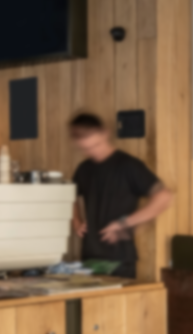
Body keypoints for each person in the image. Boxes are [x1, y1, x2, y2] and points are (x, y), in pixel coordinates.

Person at [69, 113, 172, 280]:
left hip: (120, 260)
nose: (93, 151)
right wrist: (76, 221)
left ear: (105, 133)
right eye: (86, 148)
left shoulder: (128, 166)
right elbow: (70, 196)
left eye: (96, 144)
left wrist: (124, 223)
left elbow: (164, 197)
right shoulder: (84, 168)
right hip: (89, 257)